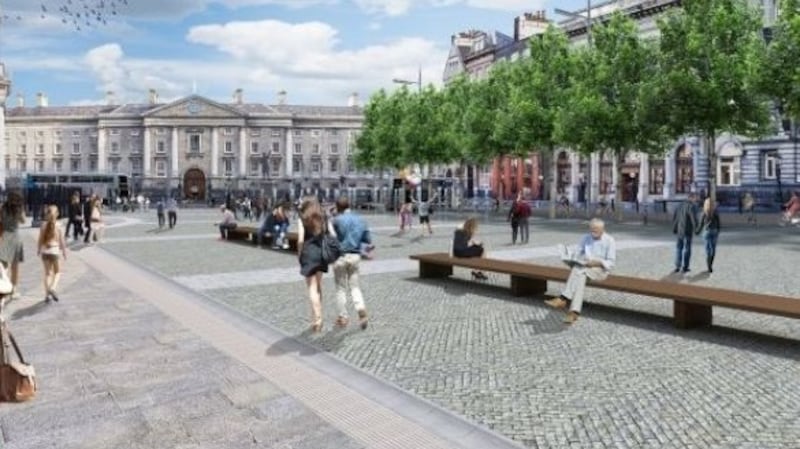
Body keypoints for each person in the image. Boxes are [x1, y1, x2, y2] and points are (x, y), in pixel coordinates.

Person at [545, 218, 616, 325]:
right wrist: (568, 256)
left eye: (595, 230)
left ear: (602, 229)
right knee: (580, 274)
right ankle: (574, 312)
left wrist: (596, 263)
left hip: (600, 271)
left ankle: (563, 298)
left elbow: (611, 262)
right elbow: (578, 252)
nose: (593, 232)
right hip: (585, 268)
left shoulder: (610, 240)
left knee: (578, 270)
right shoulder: (586, 238)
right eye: (591, 229)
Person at [331, 196, 371, 330]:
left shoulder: (336, 220)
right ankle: (361, 310)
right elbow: (367, 239)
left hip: (340, 257)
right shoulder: (360, 219)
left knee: (341, 288)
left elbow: (331, 239)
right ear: (349, 205)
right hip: (355, 256)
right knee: (355, 287)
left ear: (338, 207)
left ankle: (343, 317)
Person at [296, 196, 329, 333]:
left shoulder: (302, 219)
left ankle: (318, 318)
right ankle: (316, 316)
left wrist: (299, 254)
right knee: (319, 286)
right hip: (321, 254)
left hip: (308, 254)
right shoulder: (322, 218)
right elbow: (327, 235)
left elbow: (300, 239)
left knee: (311, 287)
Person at [37, 205, 67, 303]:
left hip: (45, 251)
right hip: (54, 250)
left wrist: (38, 249)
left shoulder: (43, 225)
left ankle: (47, 295)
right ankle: (53, 288)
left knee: (47, 274)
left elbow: (40, 239)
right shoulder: (59, 225)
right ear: (57, 214)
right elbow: (62, 240)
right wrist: (64, 251)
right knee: (57, 272)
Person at [0, 191, 26, 299]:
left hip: (5, 237)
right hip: (16, 237)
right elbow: (23, 221)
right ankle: (13, 290)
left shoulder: (2, 208)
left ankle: (3, 286)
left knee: (4, 265)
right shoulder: (19, 210)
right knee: (15, 267)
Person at [672, 193, 698, 273]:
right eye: (695, 198)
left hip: (680, 231)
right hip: (687, 231)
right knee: (687, 249)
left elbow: (675, 218)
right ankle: (685, 267)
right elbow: (693, 219)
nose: (696, 200)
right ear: (691, 198)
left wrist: (674, 228)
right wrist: (696, 229)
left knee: (679, 248)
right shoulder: (691, 206)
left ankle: (677, 266)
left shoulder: (679, 205)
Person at [697, 198, 721, 273]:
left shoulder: (704, 213)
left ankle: (709, 267)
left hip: (706, 231)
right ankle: (711, 265)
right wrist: (718, 230)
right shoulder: (715, 212)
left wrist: (697, 231)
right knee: (713, 249)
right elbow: (719, 223)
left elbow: (701, 224)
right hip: (714, 231)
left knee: (707, 249)